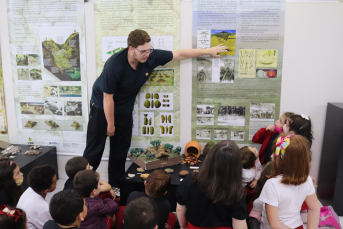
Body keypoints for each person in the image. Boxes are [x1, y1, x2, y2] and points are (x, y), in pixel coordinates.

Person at [83, 29, 229, 190]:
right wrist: (110, 125)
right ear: (131, 48)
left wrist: (208, 51)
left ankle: (116, 186)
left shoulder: (150, 57)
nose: (147, 54)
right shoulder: (114, 65)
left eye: (149, 50)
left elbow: (179, 54)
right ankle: (81, 186)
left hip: (124, 109)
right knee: (94, 150)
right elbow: (107, 97)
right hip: (101, 106)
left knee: (120, 149)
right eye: (143, 51)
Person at [176, 140, 247, 229]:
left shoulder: (190, 179)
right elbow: (239, 225)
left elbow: (180, 208)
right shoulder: (236, 189)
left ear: (209, 158)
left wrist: (183, 226)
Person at [259, 134, 320, 229]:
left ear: (282, 158)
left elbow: (275, 224)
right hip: (297, 226)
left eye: (274, 153)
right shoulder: (307, 180)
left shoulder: (272, 184)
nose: (271, 156)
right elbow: (315, 208)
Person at [17, 165, 57, 229]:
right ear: (46, 190)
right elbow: (51, 227)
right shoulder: (43, 209)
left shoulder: (31, 189)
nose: (56, 182)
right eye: (54, 183)